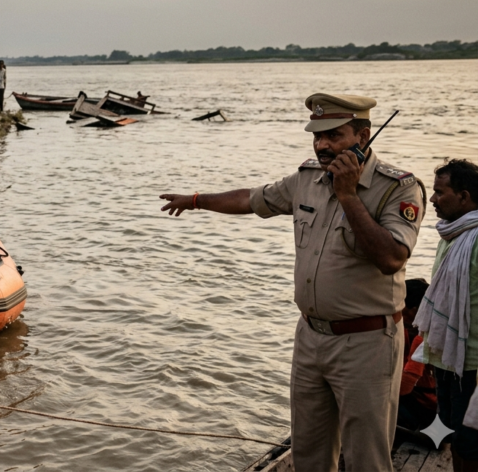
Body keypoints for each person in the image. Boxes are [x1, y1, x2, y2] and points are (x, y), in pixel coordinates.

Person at [159, 93, 426, 471]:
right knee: (308, 453)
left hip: (366, 343)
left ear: (363, 137)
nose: (322, 145)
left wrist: (348, 195)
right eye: (317, 136)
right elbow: (252, 200)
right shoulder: (308, 179)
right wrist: (198, 199)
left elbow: (391, 258)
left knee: (367, 457)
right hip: (310, 338)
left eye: (334, 135)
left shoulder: (398, 187)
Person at [415, 159, 478, 471]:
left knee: (471, 443)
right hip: (446, 360)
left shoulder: (475, 239)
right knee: (455, 438)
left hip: (473, 366)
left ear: (464, 197)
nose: (432, 199)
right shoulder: (452, 236)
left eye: (440, 192)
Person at [397, 278, 437, 433]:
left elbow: (404, 388)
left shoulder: (422, 337)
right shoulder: (431, 329)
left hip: (428, 410)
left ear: (413, 310)